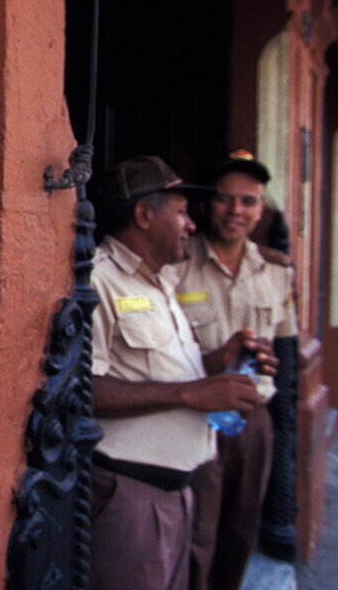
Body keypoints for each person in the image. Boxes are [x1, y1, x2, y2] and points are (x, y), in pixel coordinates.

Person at [89, 155, 277, 590]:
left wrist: (222, 359)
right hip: (132, 499)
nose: (192, 225)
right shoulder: (101, 280)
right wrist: (192, 394)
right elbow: (86, 392)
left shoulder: (159, 281)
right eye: (182, 213)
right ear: (144, 215)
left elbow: (162, 371)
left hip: (177, 494)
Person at [173, 150, 297, 590]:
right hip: (193, 417)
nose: (236, 211)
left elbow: (286, 354)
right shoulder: (176, 264)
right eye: (226, 200)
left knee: (242, 529)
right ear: (207, 204)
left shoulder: (277, 271)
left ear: (260, 209)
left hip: (253, 418)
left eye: (248, 202)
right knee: (197, 533)